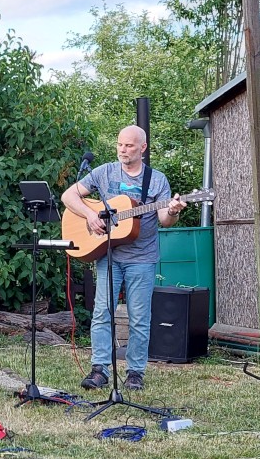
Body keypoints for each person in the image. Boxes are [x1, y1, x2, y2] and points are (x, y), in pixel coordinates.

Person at [61, 125, 186, 393]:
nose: (122, 150)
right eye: (120, 144)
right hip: (108, 253)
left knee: (139, 317)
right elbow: (68, 195)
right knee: (102, 312)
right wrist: (90, 215)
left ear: (143, 148)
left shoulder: (156, 180)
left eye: (129, 145)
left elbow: (164, 220)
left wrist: (173, 211)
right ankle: (99, 369)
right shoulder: (104, 172)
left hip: (142, 257)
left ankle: (135, 372)